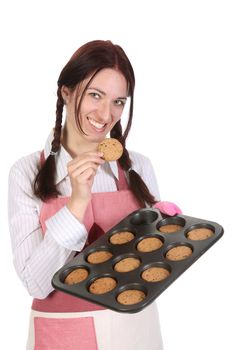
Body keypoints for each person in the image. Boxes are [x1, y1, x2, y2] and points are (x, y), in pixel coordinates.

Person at [8, 40, 181, 350]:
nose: (106, 113)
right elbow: (35, 283)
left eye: (119, 101)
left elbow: (154, 270)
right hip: (65, 335)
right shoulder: (26, 173)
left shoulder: (138, 166)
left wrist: (169, 233)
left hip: (136, 333)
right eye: (95, 95)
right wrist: (77, 203)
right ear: (66, 92)